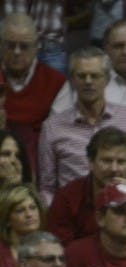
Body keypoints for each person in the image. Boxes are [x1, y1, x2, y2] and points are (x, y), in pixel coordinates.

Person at [37, 47, 126, 203]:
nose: (88, 81)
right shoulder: (52, 127)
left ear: (107, 79)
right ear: (72, 79)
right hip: (72, 215)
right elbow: (47, 187)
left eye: (95, 76)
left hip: (123, 210)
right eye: (82, 76)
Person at [46, 126, 126, 245]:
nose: (114, 169)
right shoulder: (67, 198)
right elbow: (60, 250)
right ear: (91, 162)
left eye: (121, 162)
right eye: (107, 161)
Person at [0, 13, 65, 172]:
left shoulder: (56, 82)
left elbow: (55, 136)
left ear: (37, 47)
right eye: (10, 45)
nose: (16, 52)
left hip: (38, 162)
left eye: (24, 46)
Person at [0, 182, 42, 267]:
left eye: (33, 208)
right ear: (7, 219)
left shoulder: (52, 249)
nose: (29, 214)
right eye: (20, 210)